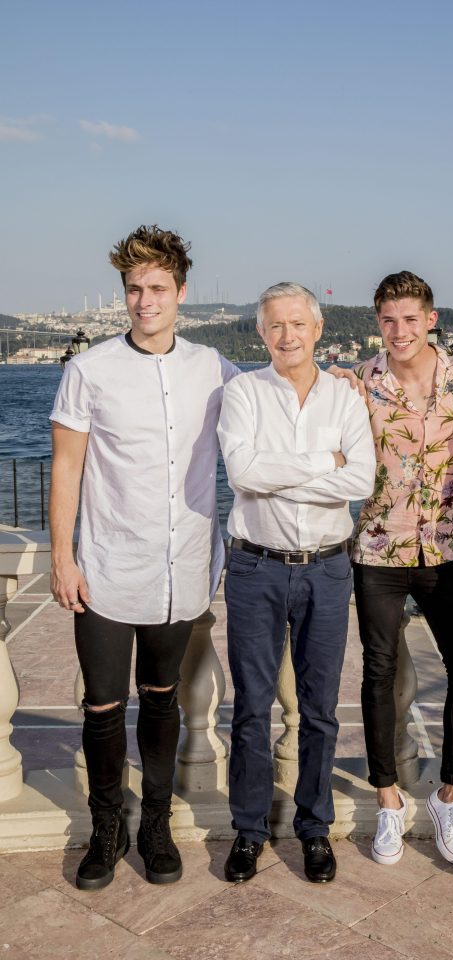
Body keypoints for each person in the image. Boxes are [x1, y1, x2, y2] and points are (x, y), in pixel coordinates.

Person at [49, 225, 240, 890]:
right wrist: (61, 556)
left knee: (161, 701)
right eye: (134, 289)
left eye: (157, 288)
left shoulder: (215, 368)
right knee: (102, 706)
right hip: (104, 569)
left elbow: (275, 404)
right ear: (123, 294)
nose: (144, 300)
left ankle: (155, 826)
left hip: (181, 570)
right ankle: (108, 829)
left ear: (181, 293)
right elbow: (66, 469)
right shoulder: (88, 370)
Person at [218, 282, 375, 884]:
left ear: (318, 328)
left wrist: (285, 474)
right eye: (275, 326)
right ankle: (249, 831)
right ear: (262, 333)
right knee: (253, 709)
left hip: (329, 569)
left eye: (297, 324)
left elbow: (359, 480)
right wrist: (323, 465)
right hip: (256, 568)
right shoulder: (243, 392)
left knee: (320, 710)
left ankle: (315, 829)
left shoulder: (344, 398)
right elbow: (243, 473)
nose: (287, 336)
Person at [351, 271, 453, 865]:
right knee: (378, 675)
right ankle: (388, 804)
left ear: (431, 318)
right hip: (378, 551)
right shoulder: (358, 385)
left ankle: (451, 795)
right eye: (387, 320)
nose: (399, 330)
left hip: (449, 551)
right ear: (377, 322)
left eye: (410, 318)